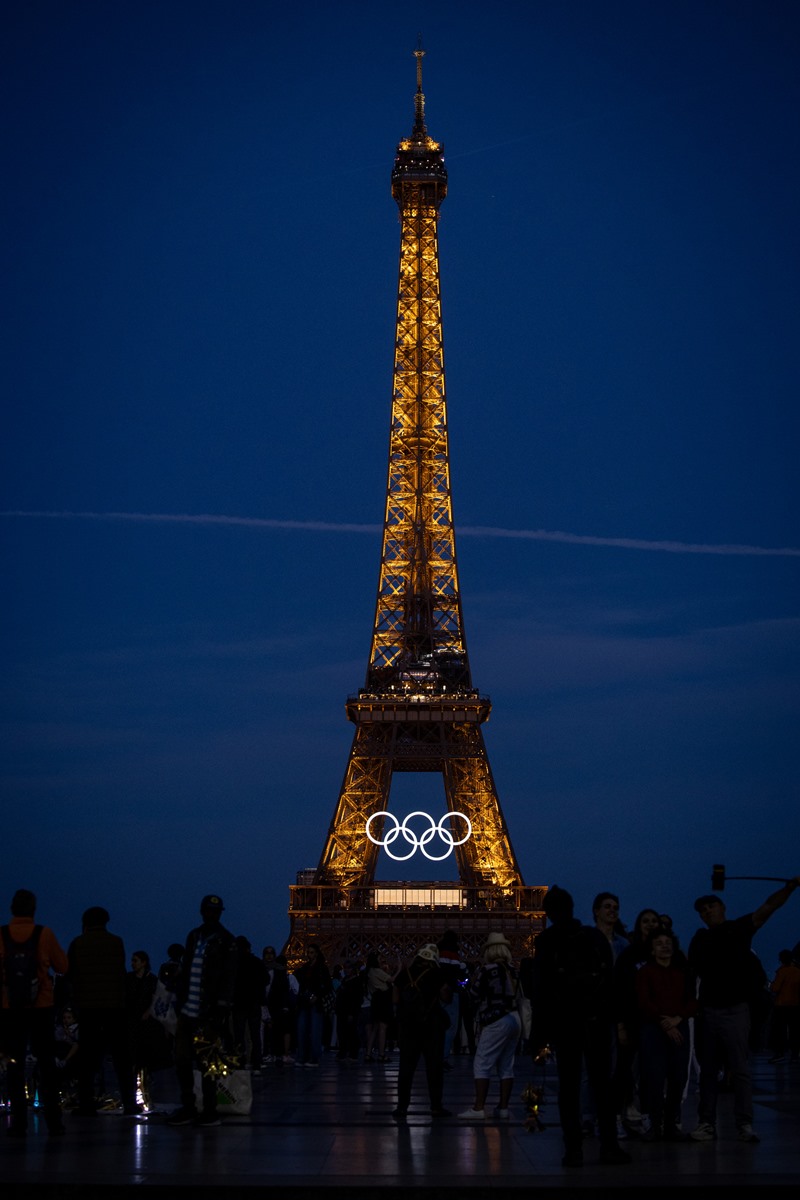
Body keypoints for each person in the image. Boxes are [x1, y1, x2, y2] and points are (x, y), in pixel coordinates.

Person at [688, 877, 800, 1143]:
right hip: (710, 1011)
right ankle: (707, 1123)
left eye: (711, 907)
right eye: (702, 910)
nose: (707, 912)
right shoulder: (700, 939)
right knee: (708, 1071)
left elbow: (768, 907)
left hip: (736, 1010)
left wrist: (789, 888)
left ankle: (744, 1124)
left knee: (740, 1069)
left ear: (722, 907)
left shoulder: (738, 929)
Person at [530, 886, 631, 1167]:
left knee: (569, 1088)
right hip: (597, 1022)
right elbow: (612, 984)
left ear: (548, 913)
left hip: (566, 1023)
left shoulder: (547, 940)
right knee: (602, 1086)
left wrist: (538, 1036)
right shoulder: (595, 936)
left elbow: (540, 991)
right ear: (574, 908)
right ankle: (609, 1146)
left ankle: (573, 1149)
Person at [0, 888, 68, 1136]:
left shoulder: (2, 934)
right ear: (34, 909)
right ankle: (53, 1120)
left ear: (12, 909)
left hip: (10, 1008)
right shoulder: (44, 933)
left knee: (14, 1064)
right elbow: (62, 966)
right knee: (47, 1064)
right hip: (41, 1007)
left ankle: (19, 1121)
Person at [166, 894, 237, 1127]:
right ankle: (189, 1107)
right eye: (208, 911)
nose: (211, 915)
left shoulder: (226, 940)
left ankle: (209, 1109)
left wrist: (220, 1009)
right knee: (182, 1060)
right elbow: (186, 971)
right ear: (202, 912)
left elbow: (228, 977)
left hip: (207, 1013)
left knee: (207, 1063)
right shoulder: (194, 937)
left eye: (215, 912)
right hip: (188, 1010)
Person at [67, 906, 137, 1116]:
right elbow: (120, 974)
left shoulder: (78, 944)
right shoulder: (116, 942)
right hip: (115, 1008)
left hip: (89, 1008)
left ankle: (86, 1103)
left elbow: (72, 975)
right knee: (121, 1060)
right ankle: (129, 1102)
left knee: (87, 1060)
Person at [635, 928, 696, 1140]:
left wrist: (677, 1019)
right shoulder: (645, 973)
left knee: (678, 1077)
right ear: (652, 949)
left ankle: (671, 1124)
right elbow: (644, 1001)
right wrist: (667, 1023)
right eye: (659, 942)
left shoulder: (682, 973)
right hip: (654, 1028)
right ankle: (656, 1124)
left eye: (667, 941)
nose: (664, 945)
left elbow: (692, 1000)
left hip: (676, 1025)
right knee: (655, 1078)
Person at [458, 932, 521, 1121]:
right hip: (514, 1017)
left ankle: (479, 1108)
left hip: (496, 1019)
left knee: (482, 1063)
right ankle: (503, 1108)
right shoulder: (513, 969)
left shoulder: (487, 970)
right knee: (506, 1065)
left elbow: (475, 995)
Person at [392, 943, 450, 1121]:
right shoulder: (438, 973)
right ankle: (436, 1106)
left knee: (406, 1068)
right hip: (431, 1026)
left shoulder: (404, 974)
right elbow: (446, 996)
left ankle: (402, 1107)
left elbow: (395, 999)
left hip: (408, 1026)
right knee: (434, 1067)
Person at [293, 943, 332, 1067]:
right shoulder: (304, 968)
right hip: (305, 1002)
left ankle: (314, 1058)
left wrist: (317, 996)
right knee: (302, 1030)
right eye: (308, 952)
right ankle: (302, 1057)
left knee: (315, 1031)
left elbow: (327, 986)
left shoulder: (322, 968)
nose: (309, 955)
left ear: (317, 953)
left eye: (311, 952)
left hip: (316, 1002)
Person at [768, 950, 800, 1063]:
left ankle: (780, 1053)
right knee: (794, 1030)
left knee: (780, 1030)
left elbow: (775, 988)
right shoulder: (797, 971)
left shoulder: (781, 971)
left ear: (781, 959)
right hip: (795, 1005)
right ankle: (795, 1054)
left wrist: (771, 985)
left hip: (781, 1005)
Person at [364, 951, 393, 1062]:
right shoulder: (376, 971)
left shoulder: (369, 971)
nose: (382, 959)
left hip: (376, 1000)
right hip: (383, 999)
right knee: (383, 1028)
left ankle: (368, 1053)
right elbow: (392, 979)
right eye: (380, 958)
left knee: (375, 1028)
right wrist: (399, 969)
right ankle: (381, 1055)